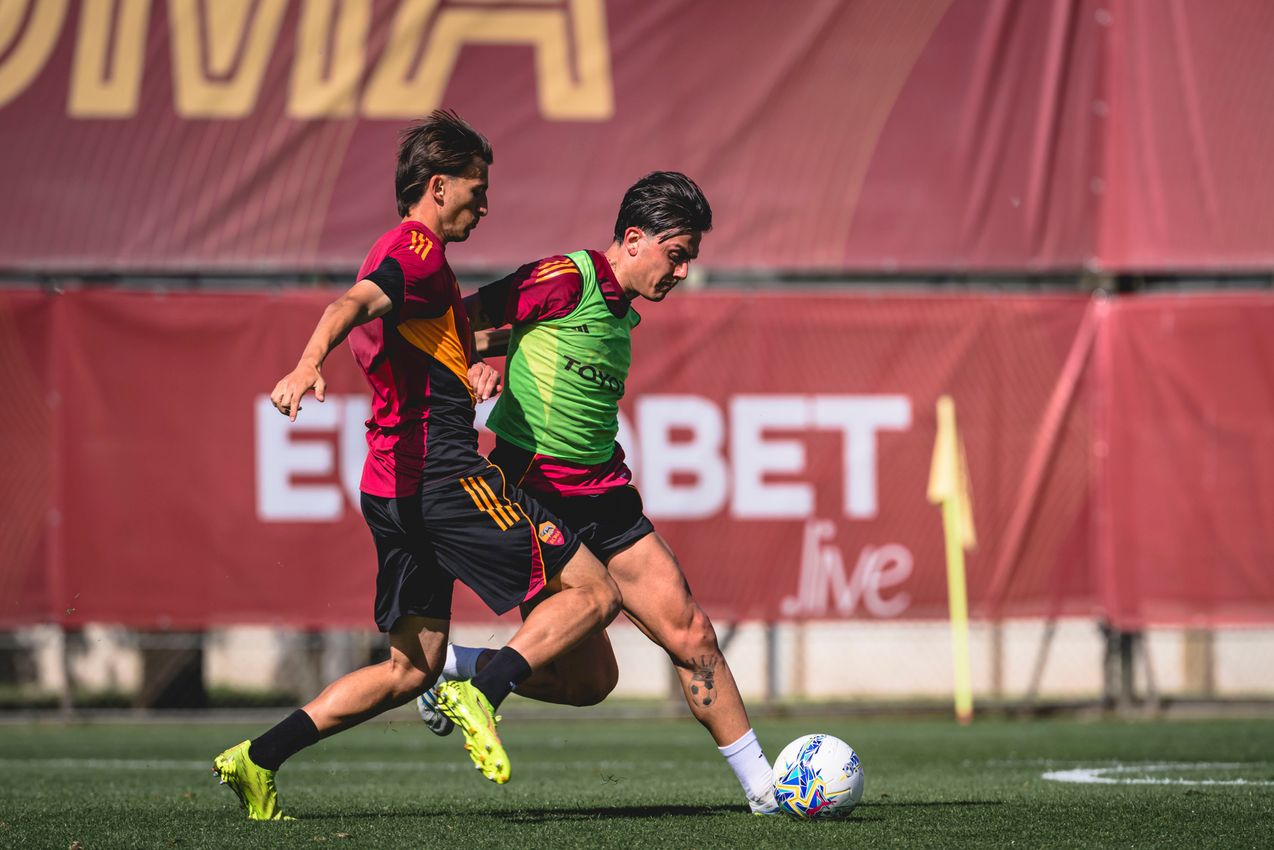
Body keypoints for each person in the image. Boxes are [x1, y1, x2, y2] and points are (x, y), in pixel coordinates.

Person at [212, 110, 621, 820]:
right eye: (476, 188)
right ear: (438, 185)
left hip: (390, 487)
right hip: (444, 477)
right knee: (594, 592)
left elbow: (412, 342)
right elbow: (352, 304)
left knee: (411, 667)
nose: (485, 203)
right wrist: (307, 363)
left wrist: (473, 370)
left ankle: (256, 759)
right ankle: (482, 691)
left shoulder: (398, 257)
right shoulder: (417, 251)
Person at [418, 172, 779, 815]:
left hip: (605, 494)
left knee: (660, 649)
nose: (683, 271)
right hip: (532, 490)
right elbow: (459, 319)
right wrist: (469, 361)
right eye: (677, 254)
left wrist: (497, 350)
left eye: (691, 258)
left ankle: (767, 794)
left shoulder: (620, 309)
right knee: (596, 625)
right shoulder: (564, 276)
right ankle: (480, 686)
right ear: (633, 239)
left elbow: (528, 337)